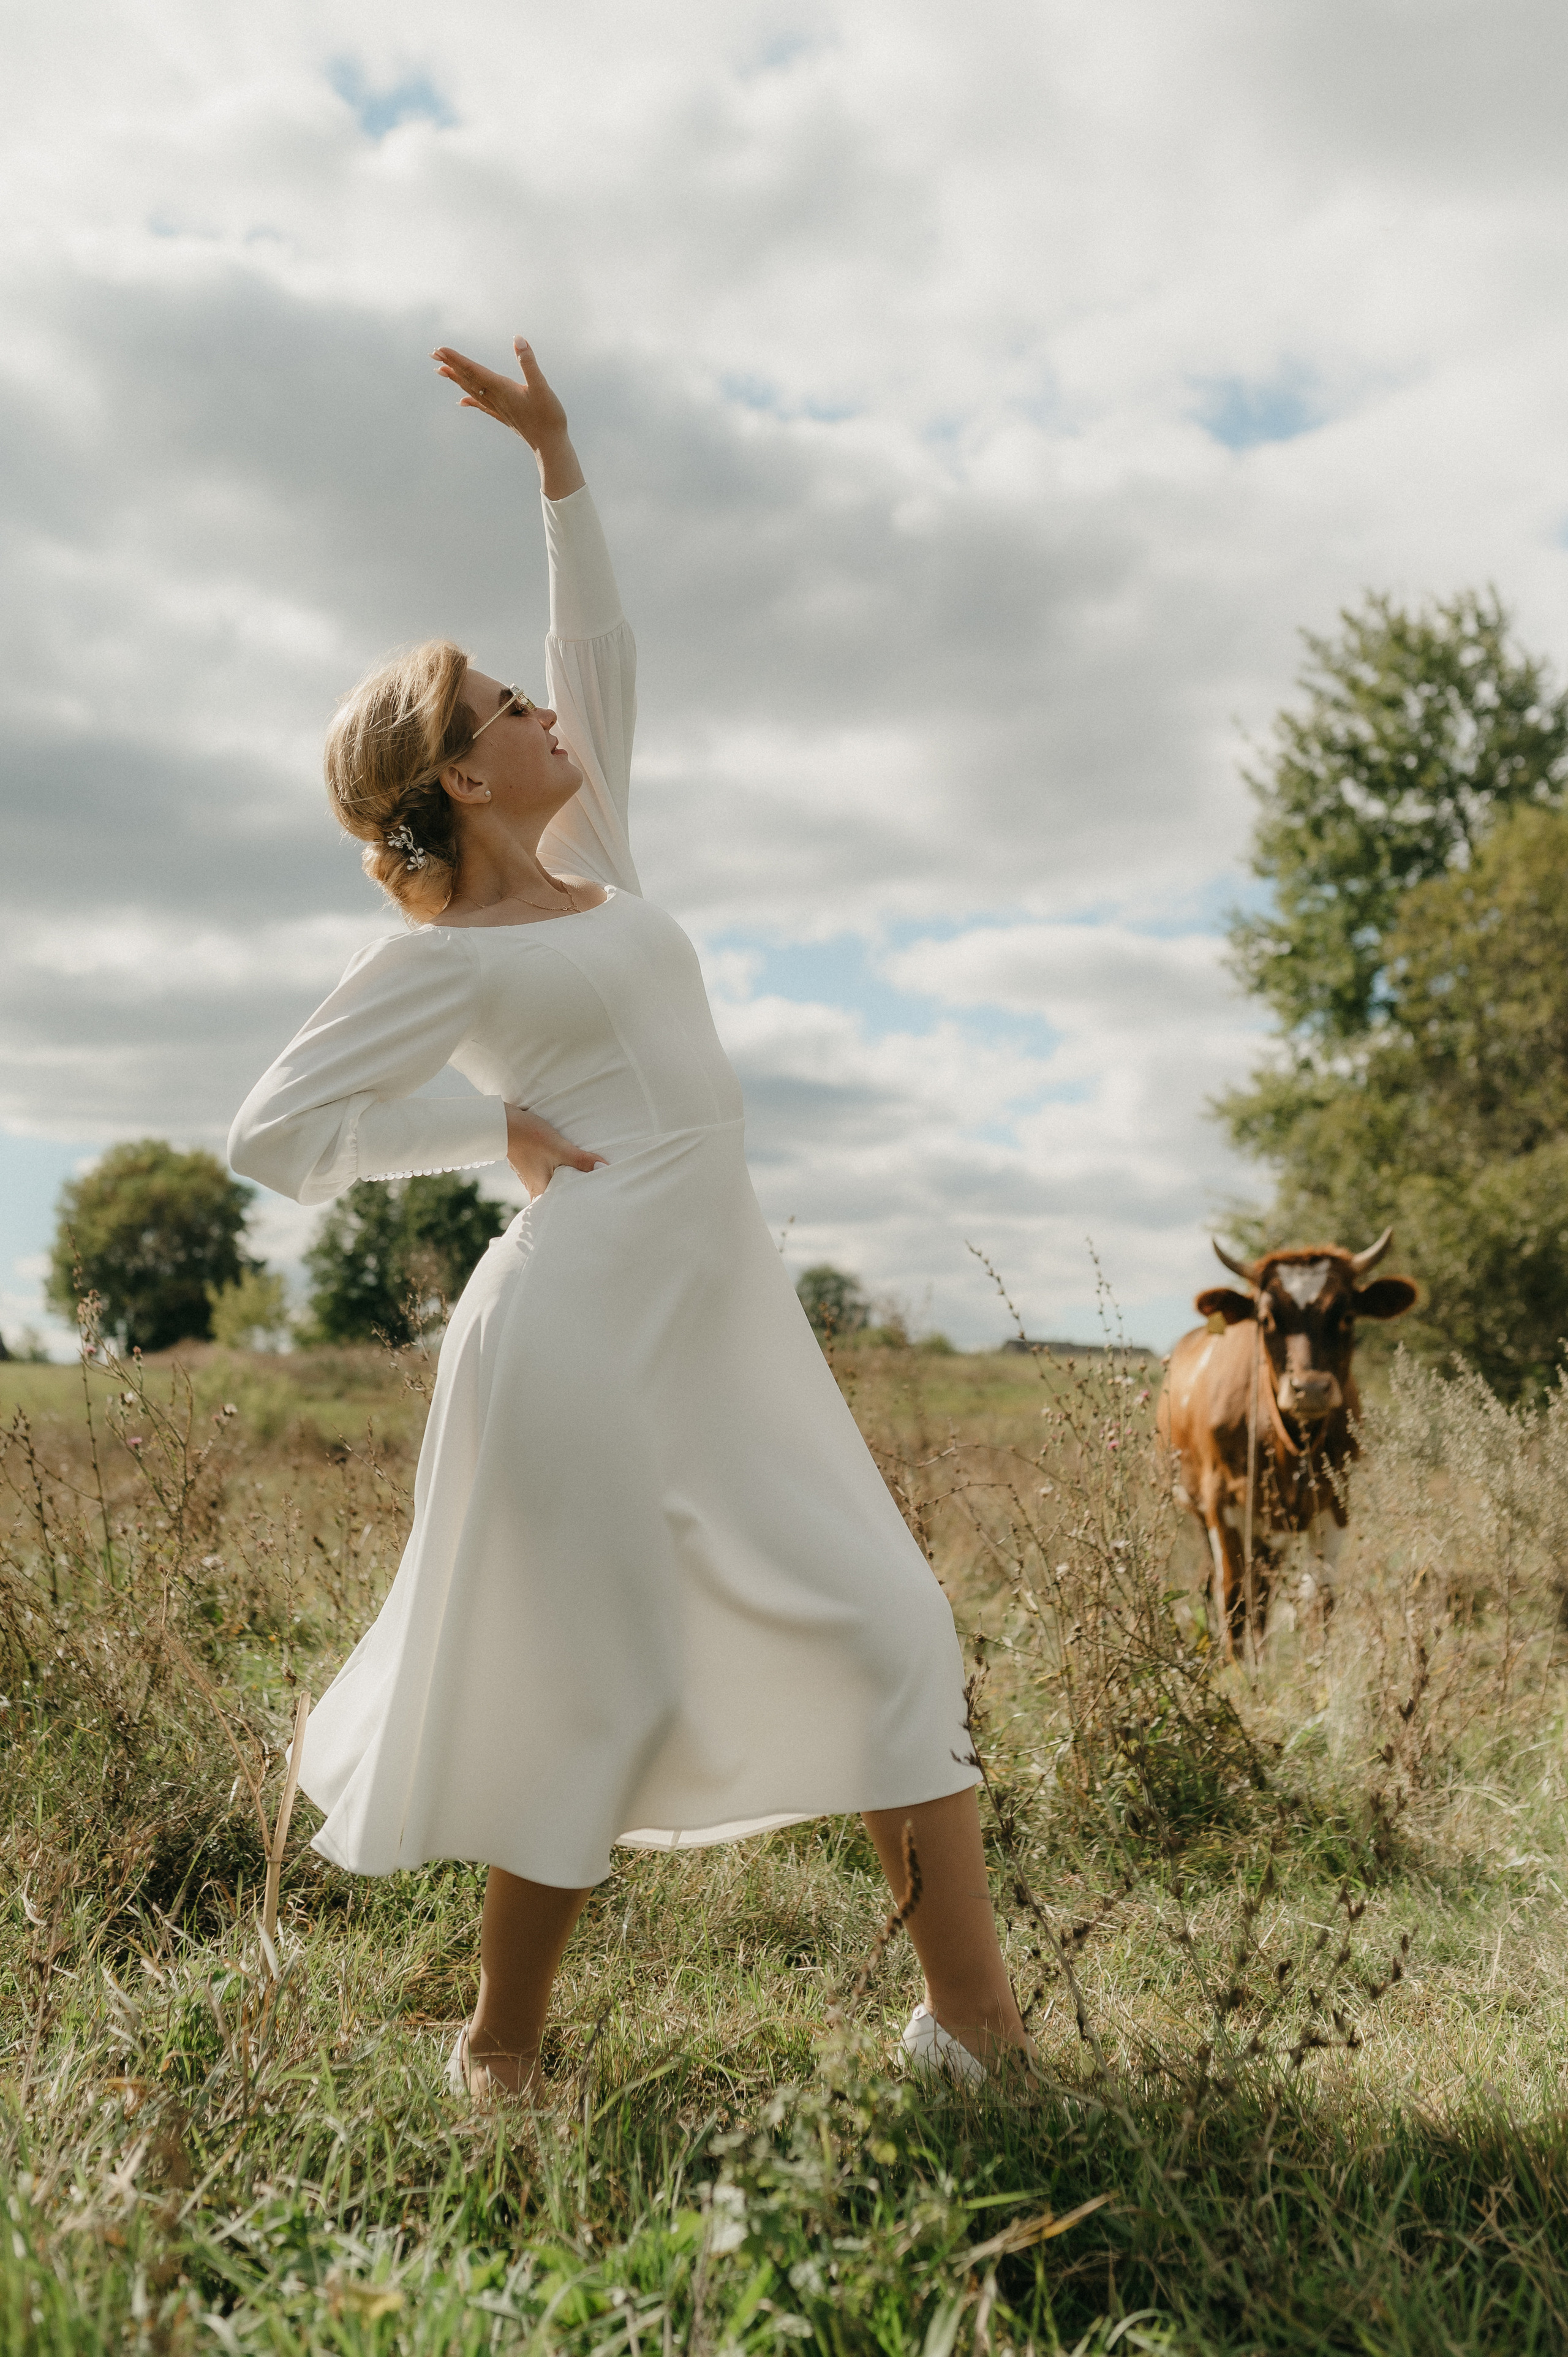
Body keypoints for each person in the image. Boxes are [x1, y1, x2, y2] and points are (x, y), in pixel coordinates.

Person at [229, 336, 1032, 2098]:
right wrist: (484, 1130)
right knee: (592, 1680)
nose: (541, 712)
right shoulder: (440, 960)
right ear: (456, 777)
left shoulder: (617, 862)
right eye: (502, 709)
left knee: (891, 1621)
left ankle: (972, 2036)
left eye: (527, 695)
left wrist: (559, 463)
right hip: (576, 1331)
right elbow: (275, 1133)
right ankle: (500, 2053)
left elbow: (603, 652)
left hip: (723, 1327)